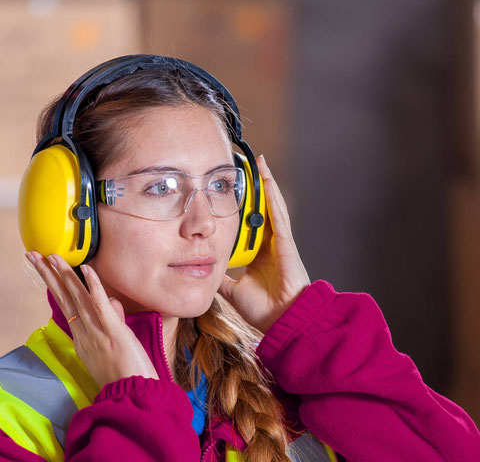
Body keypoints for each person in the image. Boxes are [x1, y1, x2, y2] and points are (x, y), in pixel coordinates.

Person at [0, 55, 479, 462]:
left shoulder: (292, 389)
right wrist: (135, 408)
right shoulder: (12, 416)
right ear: (66, 213)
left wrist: (309, 329)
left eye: (221, 185)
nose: (204, 222)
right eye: (161, 187)